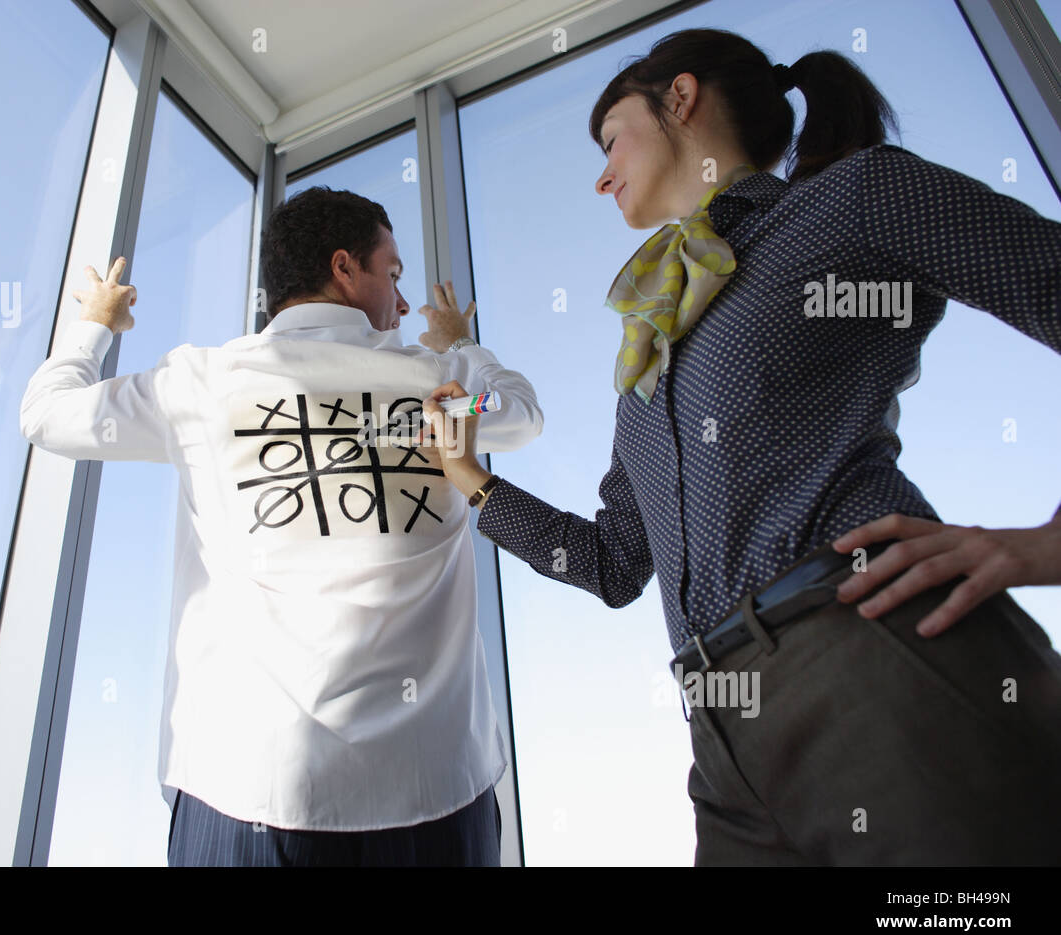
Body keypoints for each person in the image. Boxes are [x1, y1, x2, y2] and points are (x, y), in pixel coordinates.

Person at [422, 27, 1061, 865]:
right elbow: (614, 565)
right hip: (722, 744)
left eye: (612, 138)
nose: (601, 173)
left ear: (679, 98)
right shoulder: (647, 357)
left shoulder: (853, 199)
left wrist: (1049, 543)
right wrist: (468, 476)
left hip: (876, 665)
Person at [19, 186, 543, 866]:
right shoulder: (433, 382)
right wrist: (461, 344)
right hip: (437, 793)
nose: (405, 303)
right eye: (393, 274)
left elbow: (46, 414)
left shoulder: (199, 386)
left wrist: (96, 322)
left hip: (245, 794)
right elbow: (521, 412)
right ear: (345, 269)